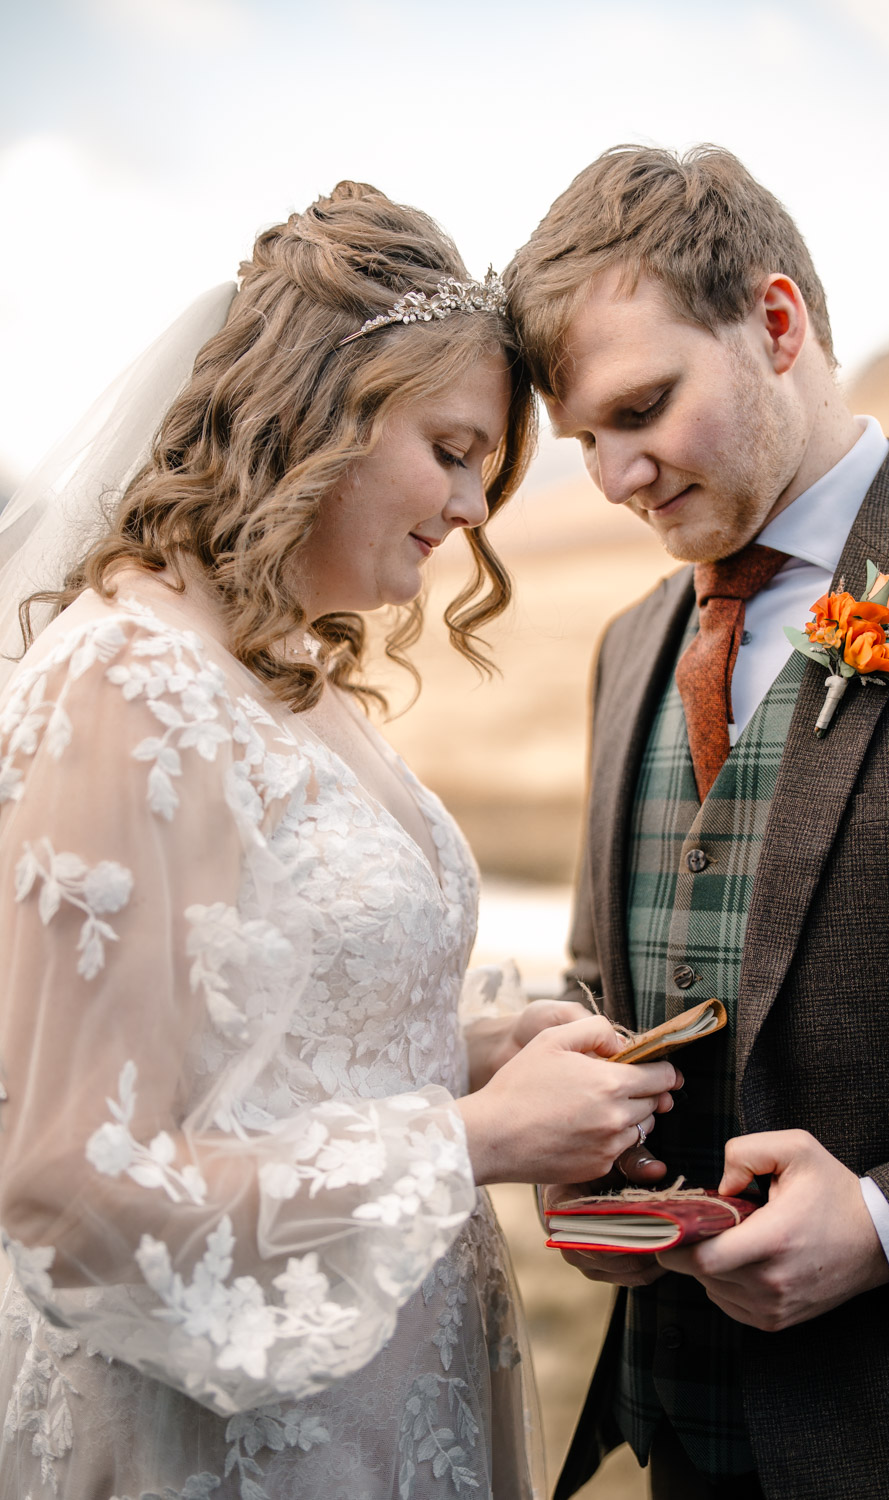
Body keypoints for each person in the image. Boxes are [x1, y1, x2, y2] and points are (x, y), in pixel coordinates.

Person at [0, 180, 681, 1499]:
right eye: (451, 447)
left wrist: (472, 1051)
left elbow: (254, 1037)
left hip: (385, 1396)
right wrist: (474, 1139)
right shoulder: (121, 689)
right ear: (317, 412)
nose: (475, 508)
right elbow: (70, 1187)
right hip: (225, 1443)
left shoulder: (281, 677)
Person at [504, 145, 889, 1500]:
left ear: (776, 324)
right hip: (677, 1430)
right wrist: (582, 1131)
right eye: (583, 443)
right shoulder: (629, 646)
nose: (615, 476)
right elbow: (600, 985)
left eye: (643, 408)